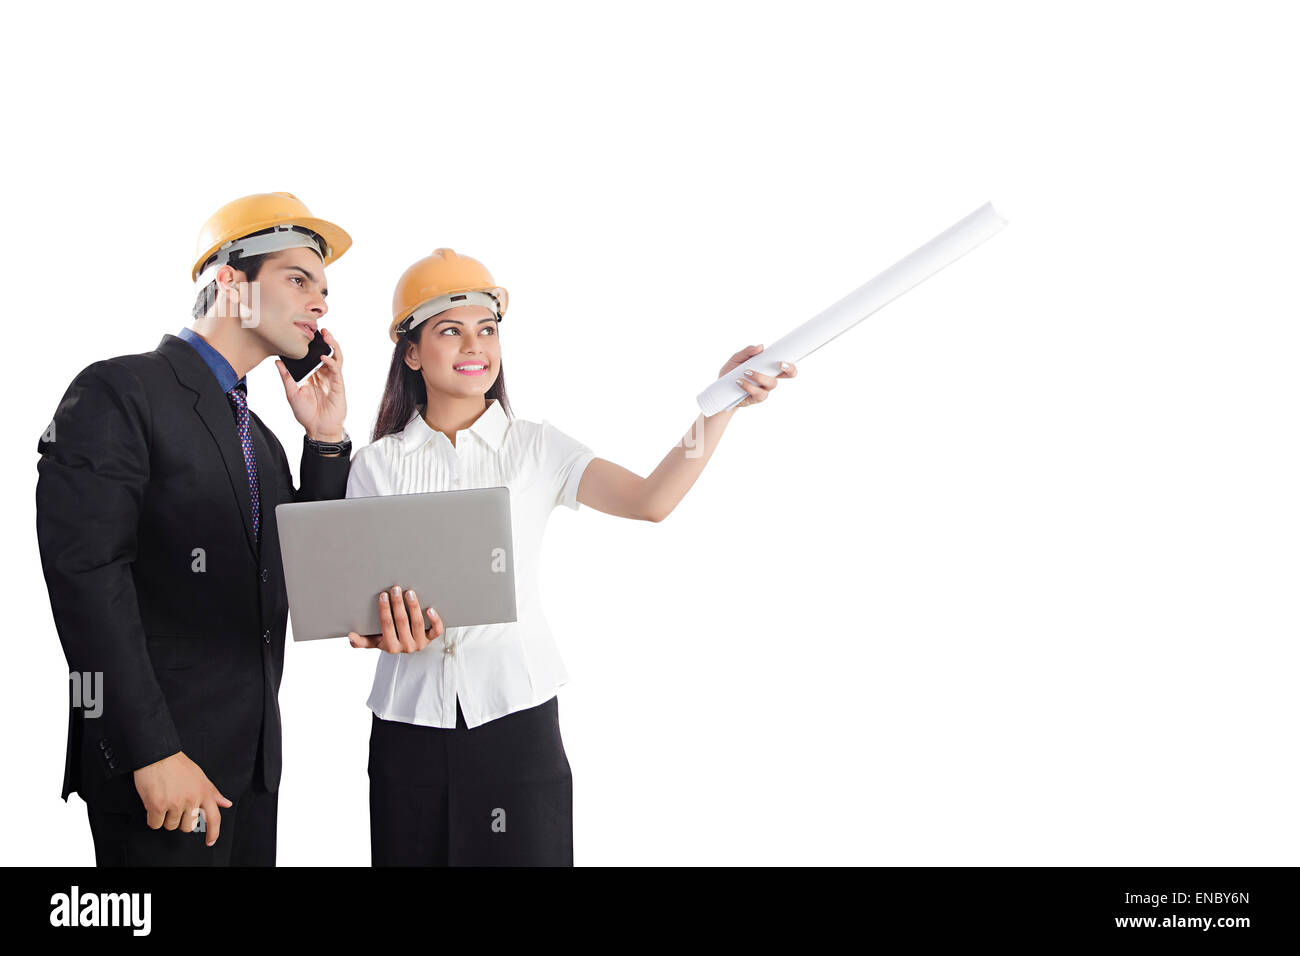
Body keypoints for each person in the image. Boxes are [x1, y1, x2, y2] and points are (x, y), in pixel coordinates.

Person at [345, 247, 796, 865]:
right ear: (412, 352)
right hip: (407, 734)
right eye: (450, 330)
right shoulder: (374, 467)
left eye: (487, 329)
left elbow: (649, 499)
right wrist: (377, 632)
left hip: (516, 723)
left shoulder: (536, 449)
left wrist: (717, 408)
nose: (474, 345)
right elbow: (358, 605)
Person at [36, 192, 355, 866]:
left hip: (250, 774)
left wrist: (324, 441)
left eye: (324, 289)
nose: (321, 302)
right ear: (231, 285)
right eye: (299, 279)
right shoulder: (120, 390)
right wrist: (148, 748)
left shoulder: (262, 440)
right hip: (160, 771)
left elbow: (305, 577)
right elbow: (86, 579)